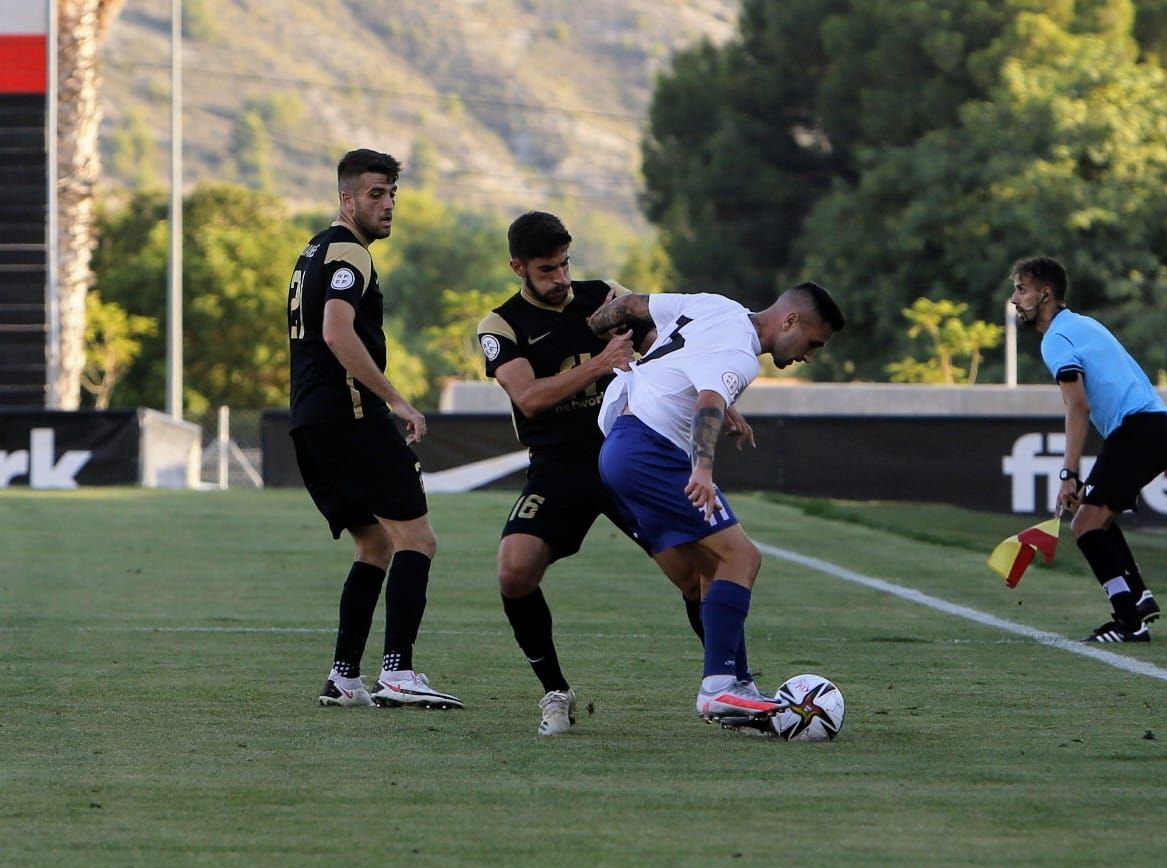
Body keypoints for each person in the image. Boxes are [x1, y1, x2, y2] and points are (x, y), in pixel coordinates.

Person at [476, 211, 754, 735]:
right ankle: (555, 692)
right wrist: (600, 364)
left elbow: (669, 344)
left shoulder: (606, 296)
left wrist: (715, 393)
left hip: (629, 456)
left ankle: (737, 687)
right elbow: (529, 398)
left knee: (696, 577)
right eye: (546, 270)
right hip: (559, 469)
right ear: (517, 267)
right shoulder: (501, 326)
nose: (560, 278)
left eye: (564, 265)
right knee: (514, 571)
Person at [589, 281, 845, 722]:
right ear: (789, 321)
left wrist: (595, 327)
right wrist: (702, 469)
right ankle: (719, 688)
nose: (808, 355)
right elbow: (708, 400)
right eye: (812, 343)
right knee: (742, 557)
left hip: (620, 447)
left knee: (710, 567)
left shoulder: (716, 306)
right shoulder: (742, 354)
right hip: (650, 450)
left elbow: (629, 306)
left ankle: (737, 684)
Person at [287, 148, 462, 709]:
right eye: (374, 194)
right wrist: (398, 400)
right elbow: (338, 333)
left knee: (375, 543)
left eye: (391, 194)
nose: (387, 205)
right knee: (419, 539)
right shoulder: (349, 254)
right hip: (353, 419)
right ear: (347, 199)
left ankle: (344, 677)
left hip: (311, 422)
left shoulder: (313, 250)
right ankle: (400, 672)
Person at [1009, 256, 1167, 643]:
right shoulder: (1085, 325)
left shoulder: (1056, 339)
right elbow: (1131, 378)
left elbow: (1078, 406)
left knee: (1084, 525)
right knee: (1097, 518)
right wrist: (1165, 452)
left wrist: (1069, 474)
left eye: (1021, 289)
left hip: (1139, 432)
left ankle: (1130, 622)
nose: (1015, 298)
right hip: (1154, 427)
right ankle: (1139, 597)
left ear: (1045, 294)